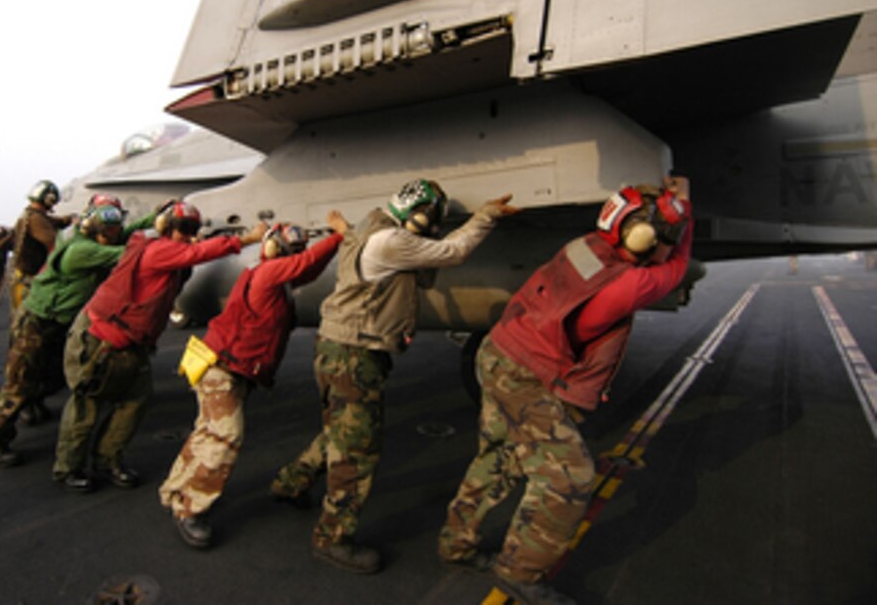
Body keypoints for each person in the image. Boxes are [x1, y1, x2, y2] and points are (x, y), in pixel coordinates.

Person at [437, 178, 693, 605]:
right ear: (645, 238)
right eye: (666, 236)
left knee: (500, 456)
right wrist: (684, 210)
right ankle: (519, 572)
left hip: (500, 351)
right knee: (568, 478)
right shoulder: (625, 286)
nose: (671, 243)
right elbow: (676, 269)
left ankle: (456, 543)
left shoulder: (591, 244)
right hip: (524, 372)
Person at [269, 179, 518, 574]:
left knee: (340, 430)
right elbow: (453, 252)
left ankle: (290, 483)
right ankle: (331, 538)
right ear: (417, 215)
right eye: (430, 219)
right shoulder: (392, 242)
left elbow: (406, 263)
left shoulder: (370, 225)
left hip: (336, 348)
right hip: (355, 355)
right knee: (357, 450)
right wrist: (484, 216)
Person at [51, 202, 267, 494]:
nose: (188, 236)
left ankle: (107, 459)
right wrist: (247, 239)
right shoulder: (157, 249)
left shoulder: (167, 252)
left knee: (135, 401)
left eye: (193, 230)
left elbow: (189, 256)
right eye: (183, 230)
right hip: (101, 339)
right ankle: (68, 468)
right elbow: (197, 253)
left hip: (132, 343)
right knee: (86, 404)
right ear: (168, 229)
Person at [160, 215, 346, 549]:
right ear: (277, 249)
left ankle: (175, 490)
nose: (295, 256)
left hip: (229, 366)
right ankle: (189, 509)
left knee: (206, 432)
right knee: (225, 435)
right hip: (223, 368)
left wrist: (331, 244)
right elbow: (304, 263)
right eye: (291, 250)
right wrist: (338, 237)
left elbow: (307, 269)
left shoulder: (276, 277)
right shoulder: (269, 272)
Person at [0, 204, 157, 466]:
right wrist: (163, 242)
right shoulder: (82, 251)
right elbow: (127, 254)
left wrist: (155, 217)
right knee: (19, 384)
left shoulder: (89, 237)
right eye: (109, 231)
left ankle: (3, 403)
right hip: (38, 323)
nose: (114, 233)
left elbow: (124, 234)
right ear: (96, 231)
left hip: (59, 323)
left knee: (54, 378)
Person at [10, 180, 73, 313]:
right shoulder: (36, 219)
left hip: (24, 275)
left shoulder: (32, 215)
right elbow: (56, 246)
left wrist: (69, 219)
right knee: (28, 322)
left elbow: (53, 221)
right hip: (30, 279)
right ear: (49, 198)